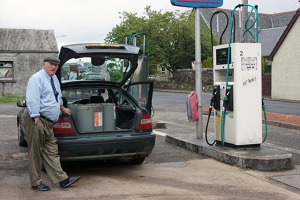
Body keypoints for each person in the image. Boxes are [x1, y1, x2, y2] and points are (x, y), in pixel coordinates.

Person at [23, 56, 80, 191]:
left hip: (48, 123)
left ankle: (62, 180)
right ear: (44, 64)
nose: (53, 67)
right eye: (51, 64)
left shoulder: (54, 79)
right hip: (37, 120)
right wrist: (36, 116)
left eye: (56, 65)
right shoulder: (36, 79)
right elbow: (32, 99)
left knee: (52, 151)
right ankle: (36, 183)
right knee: (35, 152)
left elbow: (56, 96)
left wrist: (62, 108)